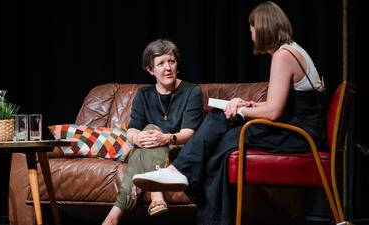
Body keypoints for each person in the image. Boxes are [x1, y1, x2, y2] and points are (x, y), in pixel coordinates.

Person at [132, 2, 327, 225]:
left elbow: (274, 112)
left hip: (299, 135)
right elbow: (282, 104)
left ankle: (179, 171)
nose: (252, 35)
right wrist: (249, 104)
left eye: (252, 29)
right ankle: (190, 185)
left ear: (262, 27)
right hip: (299, 128)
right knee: (221, 147)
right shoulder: (292, 49)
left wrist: (238, 109)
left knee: (219, 117)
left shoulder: (283, 55)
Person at [101, 39, 203, 225]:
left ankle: (115, 216)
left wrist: (165, 138)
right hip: (148, 149)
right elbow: (132, 128)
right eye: (161, 63)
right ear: (150, 70)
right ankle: (155, 196)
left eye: (171, 61)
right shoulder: (143, 94)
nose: (168, 68)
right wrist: (136, 138)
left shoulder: (192, 91)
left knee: (150, 132)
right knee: (146, 132)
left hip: (178, 150)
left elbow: (190, 133)